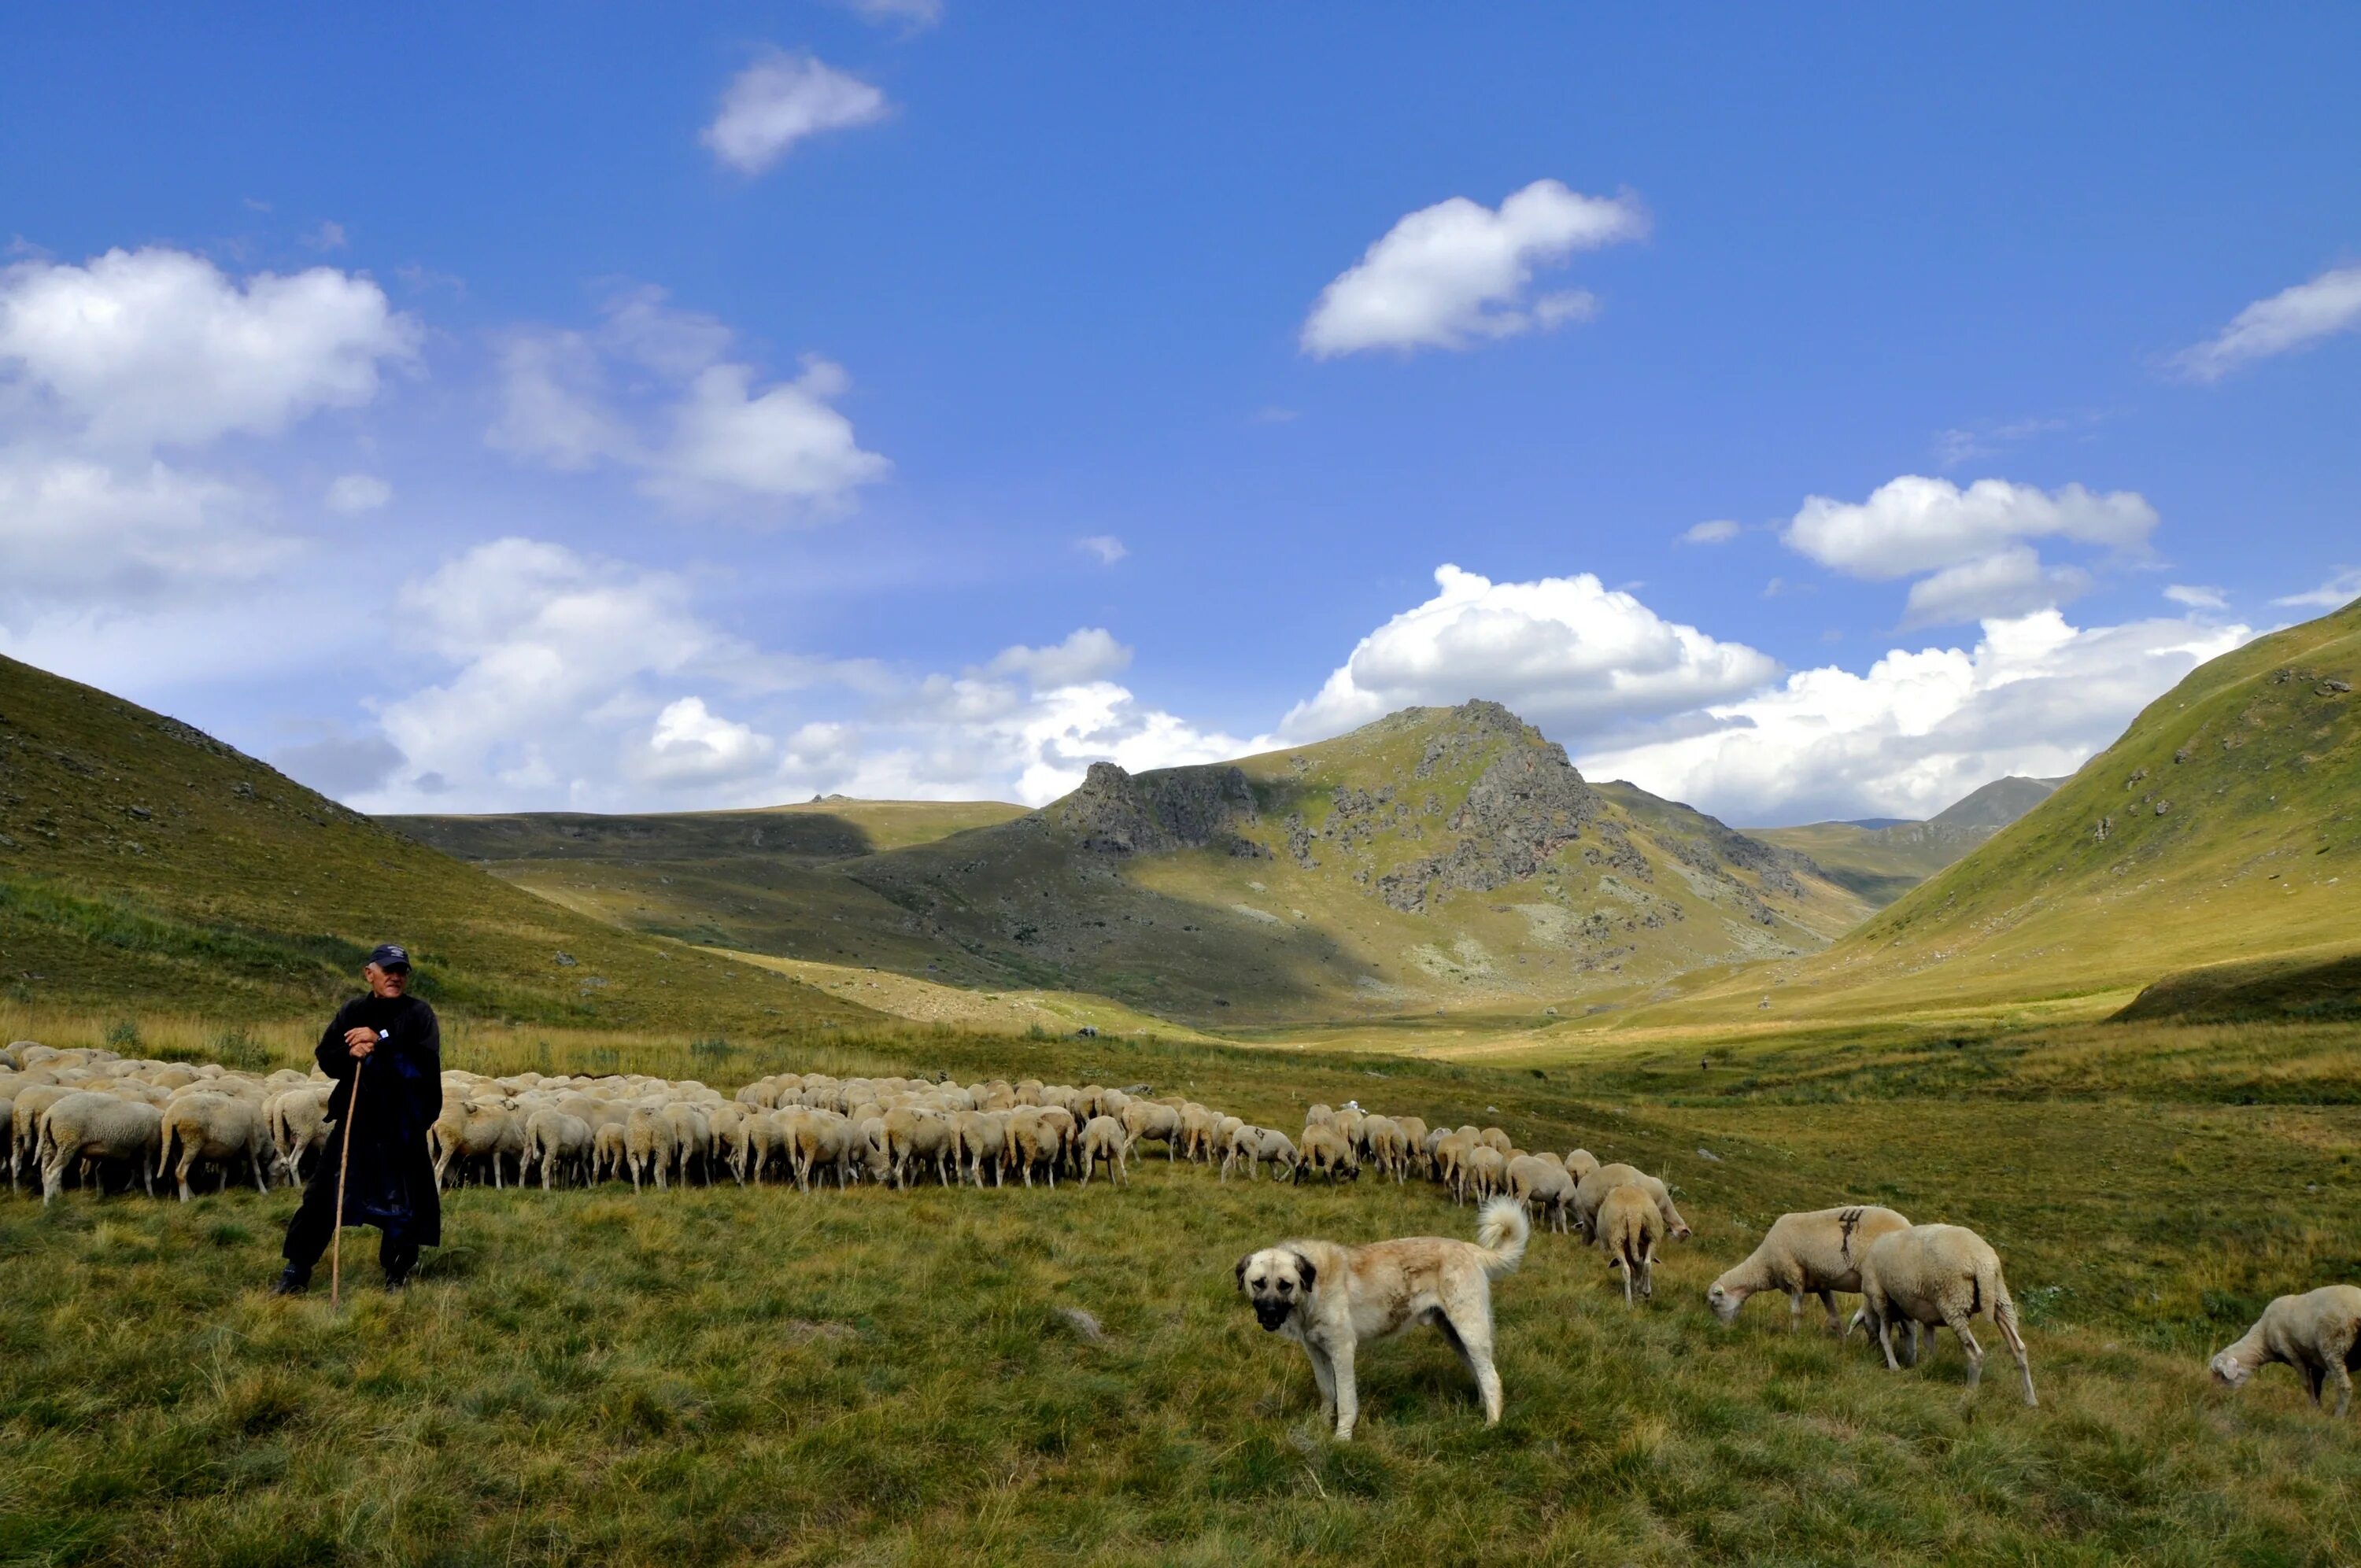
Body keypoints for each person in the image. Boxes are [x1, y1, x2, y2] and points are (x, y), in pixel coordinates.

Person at [271, 944, 443, 1293]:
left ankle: (397, 1273)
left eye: (402, 971)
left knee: (402, 1203)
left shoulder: (419, 1014)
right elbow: (327, 1057)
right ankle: (296, 1270)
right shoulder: (353, 1011)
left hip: (402, 1124)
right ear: (370, 973)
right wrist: (351, 1052)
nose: (396, 976)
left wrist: (379, 1040)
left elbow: (423, 1061)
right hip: (357, 1120)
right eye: (388, 970)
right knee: (321, 1195)